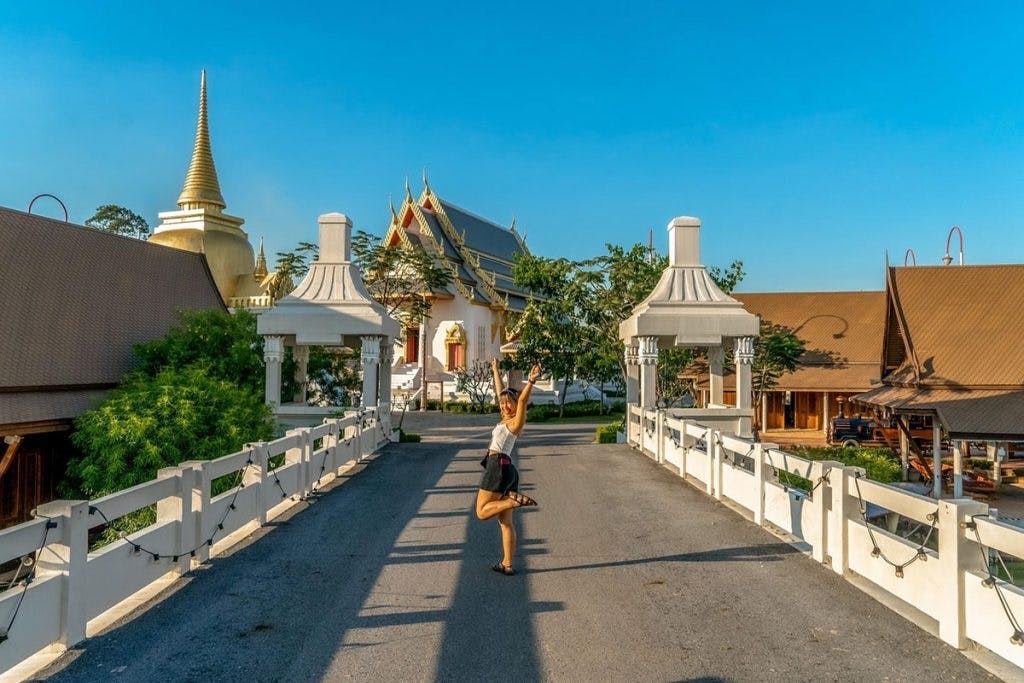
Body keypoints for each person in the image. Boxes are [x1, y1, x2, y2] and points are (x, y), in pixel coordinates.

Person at [475, 359, 542, 576]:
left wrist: (531, 381)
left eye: (509, 403)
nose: (505, 406)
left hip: (497, 467)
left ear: (515, 405)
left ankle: (512, 501)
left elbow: (522, 401)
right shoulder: (505, 419)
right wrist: (495, 370)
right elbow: (500, 392)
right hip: (508, 469)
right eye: (502, 403)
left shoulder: (515, 422)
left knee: (481, 512)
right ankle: (507, 563)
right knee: (505, 523)